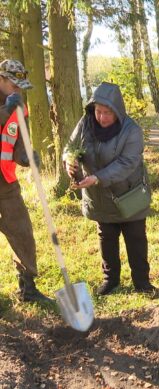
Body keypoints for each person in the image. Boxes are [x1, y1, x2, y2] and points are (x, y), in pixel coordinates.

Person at [64, 82, 156, 296]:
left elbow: (127, 163)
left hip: (129, 194)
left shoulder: (131, 130)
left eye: (107, 112)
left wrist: (97, 177)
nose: (102, 117)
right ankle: (110, 280)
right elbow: (70, 145)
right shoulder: (86, 123)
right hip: (99, 196)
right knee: (107, 236)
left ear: (117, 111)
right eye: (98, 111)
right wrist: (69, 160)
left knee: (135, 237)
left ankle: (142, 283)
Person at [0, 59, 51, 302]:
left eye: (21, 86)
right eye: (13, 84)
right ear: (1, 79)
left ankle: (27, 289)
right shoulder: (9, 107)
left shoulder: (20, 107)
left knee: (22, 231)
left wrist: (28, 157)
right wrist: (6, 111)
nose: (18, 90)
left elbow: (19, 146)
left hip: (5, 181)